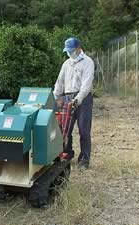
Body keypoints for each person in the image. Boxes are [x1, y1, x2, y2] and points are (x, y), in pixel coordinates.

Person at [53, 37, 94, 169]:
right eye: (68, 51)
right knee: (65, 129)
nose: (69, 53)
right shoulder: (66, 64)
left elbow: (86, 85)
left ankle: (84, 160)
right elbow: (60, 82)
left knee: (83, 129)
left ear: (78, 48)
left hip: (84, 98)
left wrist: (78, 100)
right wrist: (56, 97)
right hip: (67, 96)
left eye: (71, 50)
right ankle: (67, 153)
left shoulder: (88, 62)